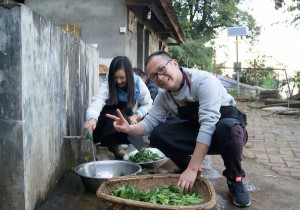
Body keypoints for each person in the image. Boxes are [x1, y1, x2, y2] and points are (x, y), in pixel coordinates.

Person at [106, 51, 251, 207]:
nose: (160, 78)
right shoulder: (164, 96)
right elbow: (148, 125)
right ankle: (185, 166)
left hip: (224, 132)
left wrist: (192, 169)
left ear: (174, 63)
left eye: (162, 69)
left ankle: (235, 179)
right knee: (158, 134)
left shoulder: (203, 81)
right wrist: (128, 128)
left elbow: (208, 125)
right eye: (154, 76)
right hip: (198, 130)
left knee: (229, 129)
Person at [83, 56, 153, 159]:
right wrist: (92, 118)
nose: (118, 81)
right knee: (112, 119)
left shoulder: (137, 83)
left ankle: (138, 156)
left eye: (122, 78)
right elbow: (97, 101)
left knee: (134, 132)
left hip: (126, 116)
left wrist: (137, 115)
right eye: (115, 78)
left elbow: (148, 103)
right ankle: (109, 147)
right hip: (107, 117)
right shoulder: (108, 82)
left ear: (129, 75)